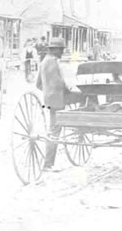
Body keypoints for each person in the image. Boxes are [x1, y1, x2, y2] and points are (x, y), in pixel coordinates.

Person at [36, 37, 84, 171]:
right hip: (58, 99)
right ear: (55, 50)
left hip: (49, 100)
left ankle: (48, 163)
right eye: (61, 50)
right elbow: (59, 83)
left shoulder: (44, 61)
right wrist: (68, 91)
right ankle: (48, 164)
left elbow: (38, 84)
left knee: (53, 129)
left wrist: (48, 92)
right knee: (54, 131)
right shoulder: (53, 62)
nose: (62, 53)